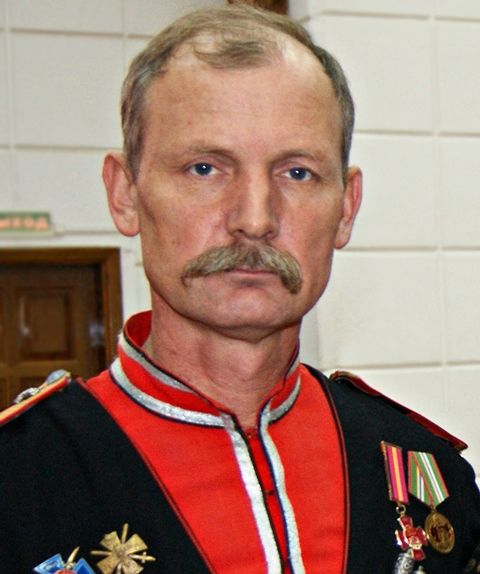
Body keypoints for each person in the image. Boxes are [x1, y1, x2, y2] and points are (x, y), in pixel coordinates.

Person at [0, 5, 479, 574]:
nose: (255, 219)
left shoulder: (429, 475)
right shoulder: (19, 477)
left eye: (297, 173)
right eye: (205, 168)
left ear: (346, 208)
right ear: (125, 194)